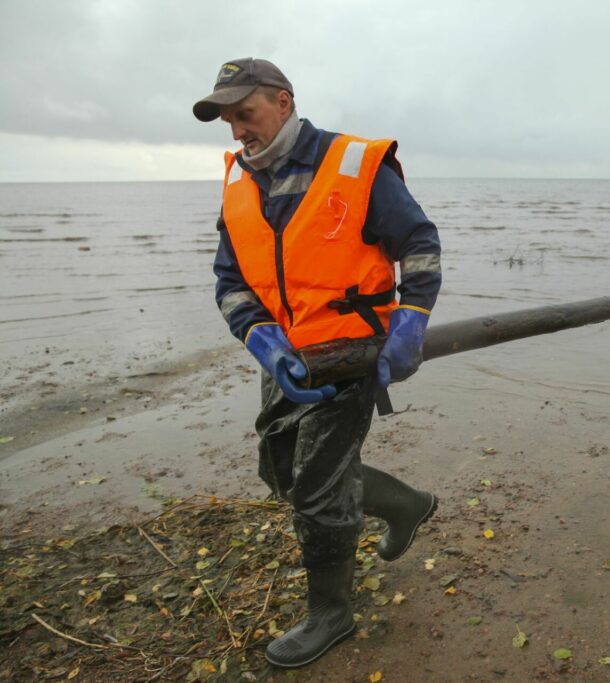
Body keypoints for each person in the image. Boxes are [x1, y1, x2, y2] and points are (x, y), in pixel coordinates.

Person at [194, 58, 442, 668]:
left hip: (352, 353)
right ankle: (406, 505)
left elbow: (419, 244)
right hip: (288, 359)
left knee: (317, 487)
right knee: (280, 472)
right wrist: (262, 344)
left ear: (282, 101)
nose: (236, 132)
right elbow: (230, 280)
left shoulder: (355, 164)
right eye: (226, 120)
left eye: (244, 114)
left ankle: (331, 612)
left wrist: (411, 322)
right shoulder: (237, 180)